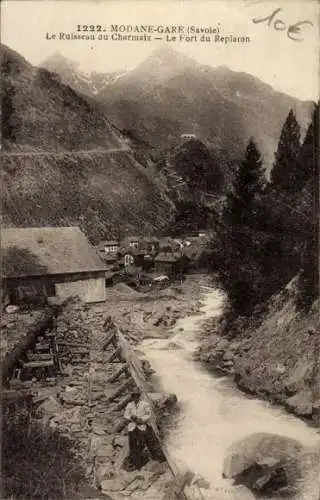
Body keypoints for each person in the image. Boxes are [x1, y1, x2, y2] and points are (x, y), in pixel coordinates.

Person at [124, 388, 155, 469]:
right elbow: (125, 415)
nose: (135, 397)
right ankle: (135, 463)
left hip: (141, 426)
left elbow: (148, 414)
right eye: (134, 396)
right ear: (132, 396)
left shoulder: (144, 404)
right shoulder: (130, 405)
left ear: (139, 396)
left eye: (137, 396)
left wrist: (141, 419)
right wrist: (131, 417)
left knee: (141, 443)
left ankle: (140, 461)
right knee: (132, 444)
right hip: (132, 426)